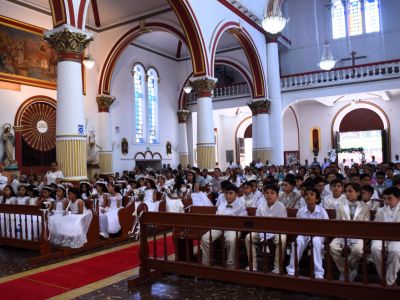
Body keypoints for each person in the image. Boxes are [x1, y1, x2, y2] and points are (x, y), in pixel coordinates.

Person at [330, 182, 370, 281]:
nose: (347, 193)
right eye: (346, 191)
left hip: (358, 236)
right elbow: (338, 222)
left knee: (357, 250)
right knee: (332, 247)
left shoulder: (365, 207)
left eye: (350, 191)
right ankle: (347, 271)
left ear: (358, 193)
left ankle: (347, 268)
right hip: (342, 235)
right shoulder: (340, 206)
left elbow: (367, 225)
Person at [201, 183, 247, 268]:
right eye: (226, 193)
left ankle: (231, 264)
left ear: (236, 194)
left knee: (231, 240)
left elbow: (241, 221)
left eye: (231, 193)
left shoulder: (241, 207)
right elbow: (217, 218)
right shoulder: (221, 206)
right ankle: (206, 263)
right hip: (219, 227)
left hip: (233, 229)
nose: (228, 195)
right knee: (205, 238)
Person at [286, 187, 329, 279]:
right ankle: (292, 269)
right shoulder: (301, 211)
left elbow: (326, 228)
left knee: (316, 242)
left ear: (317, 199)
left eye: (312, 195)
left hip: (318, 235)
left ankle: (318, 272)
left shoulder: (322, 212)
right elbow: (298, 227)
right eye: (306, 195)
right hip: (304, 234)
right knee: (298, 242)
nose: (308, 196)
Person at [245, 184, 287, 273]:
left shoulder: (281, 206)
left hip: (276, 232)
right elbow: (258, 223)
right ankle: (253, 265)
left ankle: (277, 267)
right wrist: (263, 235)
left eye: (272, 193)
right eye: (267, 193)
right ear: (264, 195)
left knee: (282, 239)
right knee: (249, 237)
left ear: (277, 195)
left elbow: (282, 224)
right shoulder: (261, 207)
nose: (269, 195)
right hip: (262, 231)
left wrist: (268, 235)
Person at [370, 187, 400, 286]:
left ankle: (389, 280)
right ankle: (383, 276)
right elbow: (376, 227)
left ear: (398, 198)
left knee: (395, 251)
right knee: (375, 248)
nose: (386, 201)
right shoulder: (380, 210)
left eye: (389, 198)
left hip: (397, 238)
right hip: (382, 236)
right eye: (384, 199)